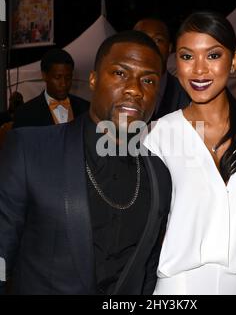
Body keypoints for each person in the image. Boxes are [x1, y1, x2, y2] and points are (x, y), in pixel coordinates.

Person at [0, 31, 172, 294]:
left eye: (148, 80)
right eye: (120, 73)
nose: (135, 89)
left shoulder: (159, 173)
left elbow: (147, 268)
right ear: (93, 79)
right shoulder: (29, 149)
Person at [143, 11, 236, 294]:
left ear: (233, 60)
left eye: (212, 55)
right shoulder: (156, 135)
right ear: (176, 63)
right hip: (180, 288)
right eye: (187, 56)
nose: (198, 70)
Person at [13, 48, 89, 128]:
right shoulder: (25, 113)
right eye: (57, 77)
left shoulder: (86, 109)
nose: (63, 84)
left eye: (68, 77)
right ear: (44, 76)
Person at [133, 17, 190, 120]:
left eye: (158, 40)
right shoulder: (119, 91)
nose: (150, 45)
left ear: (169, 48)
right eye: (142, 38)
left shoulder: (187, 93)